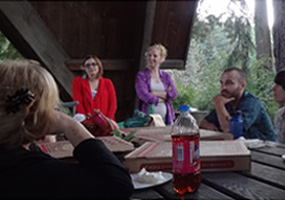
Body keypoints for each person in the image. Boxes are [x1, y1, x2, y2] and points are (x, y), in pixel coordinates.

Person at [0, 60, 133, 198]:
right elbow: (118, 185)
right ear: (40, 113)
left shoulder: (12, 154)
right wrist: (70, 125)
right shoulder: (31, 171)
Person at [200, 67, 276, 141]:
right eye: (221, 83)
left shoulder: (251, 103)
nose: (223, 87)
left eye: (229, 83)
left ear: (242, 85)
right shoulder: (227, 103)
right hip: (242, 149)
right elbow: (203, 124)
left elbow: (231, 130)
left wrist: (219, 104)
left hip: (266, 150)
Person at [135, 43, 178, 125]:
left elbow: (174, 94)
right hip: (148, 119)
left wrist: (154, 93)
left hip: (166, 118)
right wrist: (163, 98)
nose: (151, 58)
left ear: (161, 58)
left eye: (155, 56)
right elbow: (143, 95)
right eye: (149, 55)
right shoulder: (141, 76)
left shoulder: (166, 76)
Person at [72, 55, 117, 120]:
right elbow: (78, 102)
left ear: (99, 66)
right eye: (87, 65)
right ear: (84, 69)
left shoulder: (108, 83)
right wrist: (86, 117)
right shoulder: (77, 82)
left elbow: (113, 104)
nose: (91, 67)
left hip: (105, 122)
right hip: (86, 120)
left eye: (94, 64)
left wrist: (108, 119)